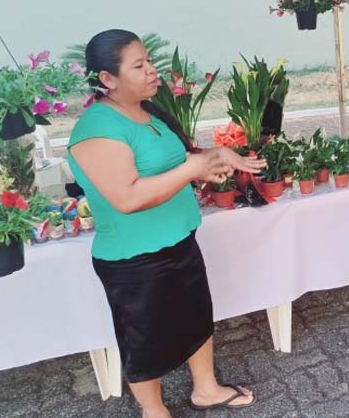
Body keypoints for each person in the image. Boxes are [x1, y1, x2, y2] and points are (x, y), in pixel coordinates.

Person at [68, 29, 265, 417]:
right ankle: (154, 411)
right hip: (134, 259)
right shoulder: (96, 130)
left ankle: (205, 389)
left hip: (179, 239)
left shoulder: (147, 112)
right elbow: (127, 197)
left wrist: (212, 159)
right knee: (144, 341)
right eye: (139, 65)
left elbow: (176, 163)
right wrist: (192, 167)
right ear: (107, 79)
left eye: (150, 61)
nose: (152, 71)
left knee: (196, 316)